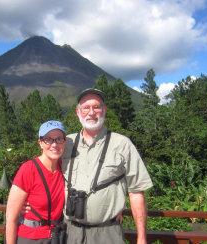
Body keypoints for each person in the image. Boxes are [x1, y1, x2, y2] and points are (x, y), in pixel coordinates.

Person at [61, 88, 153, 244]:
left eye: (96, 107)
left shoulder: (122, 144)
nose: (91, 112)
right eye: (86, 108)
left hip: (107, 233)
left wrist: (142, 238)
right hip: (70, 232)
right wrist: (28, 203)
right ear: (78, 112)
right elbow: (45, 174)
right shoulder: (65, 143)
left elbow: (136, 192)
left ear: (104, 110)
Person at [6, 120, 67, 244]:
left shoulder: (65, 168)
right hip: (31, 238)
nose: (54, 144)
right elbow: (11, 218)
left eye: (58, 139)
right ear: (40, 143)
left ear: (64, 142)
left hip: (57, 236)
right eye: (48, 139)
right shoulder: (29, 169)